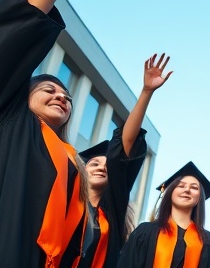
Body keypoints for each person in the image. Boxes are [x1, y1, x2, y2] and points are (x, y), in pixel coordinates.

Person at [0, 0, 113, 267]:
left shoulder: (72, 161)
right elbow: (20, 27)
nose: (62, 96)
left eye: (67, 96)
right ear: (23, 94)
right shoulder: (10, 119)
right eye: (49, 89)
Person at [77, 53, 172, 268]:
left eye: (106, 166)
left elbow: (124, 146)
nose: (102, 167)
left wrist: (146, 92)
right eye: (94, 164)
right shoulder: (64, 201)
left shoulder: (111, 208)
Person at [117, 163, 210, 267]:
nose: (187, 190)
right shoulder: (145, 232)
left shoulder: (209, 242)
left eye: (194, 188)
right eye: (181, 185)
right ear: (170, 191)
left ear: (200, 197)